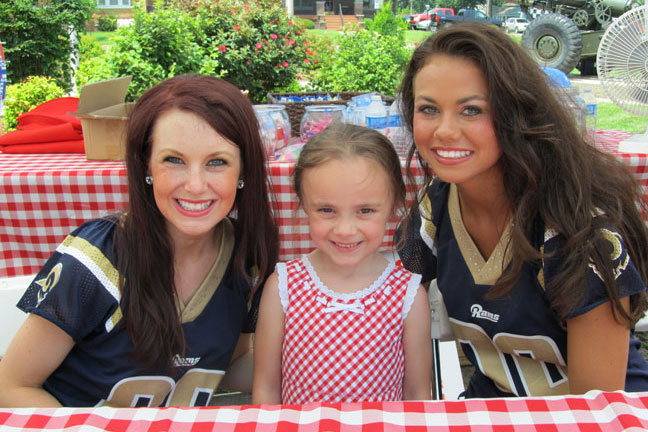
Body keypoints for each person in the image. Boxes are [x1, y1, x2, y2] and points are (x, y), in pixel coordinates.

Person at [396, 22, 648, 398]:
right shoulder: (437, 204)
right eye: (428, 108)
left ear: (517, 113)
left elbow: (595, 411)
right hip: (491, 407)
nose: (444, 131)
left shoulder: (578, 229)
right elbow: (384, 303)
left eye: (471, 110)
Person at [0, 75, 279, 407]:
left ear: (244, 170)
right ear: (145, 164)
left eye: (216, 162)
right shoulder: (98, 259)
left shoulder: (247, 260)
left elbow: (226, 363)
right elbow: (12, 387)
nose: (194, 185)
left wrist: (329, 359)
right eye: (173, 160)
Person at [253, 123, 432, 404]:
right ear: (303, 205)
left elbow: (418, 395)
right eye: (327, 210)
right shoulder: (282, 287)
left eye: (365, 211)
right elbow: (266, 389)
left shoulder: (409, 296)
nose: (345, 229)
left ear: (395, 204)